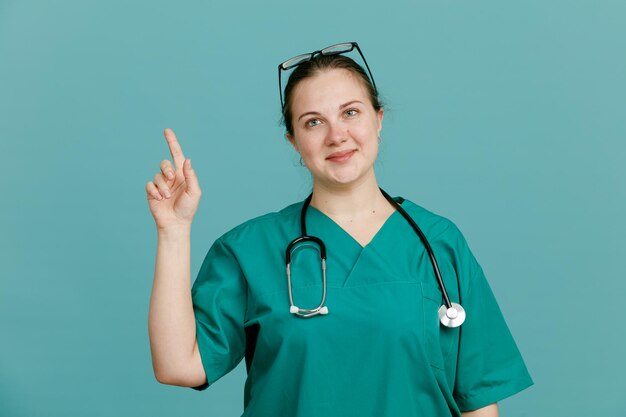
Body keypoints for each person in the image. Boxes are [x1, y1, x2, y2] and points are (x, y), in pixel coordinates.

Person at [146, 42, 533, 417]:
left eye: (350, 113)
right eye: (313, 122)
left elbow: (478, 400)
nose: (336, 135)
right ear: (294, 141)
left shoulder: (438, 242)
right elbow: (179, 366)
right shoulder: (249, 250)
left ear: (378, 120)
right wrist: (174, 230)